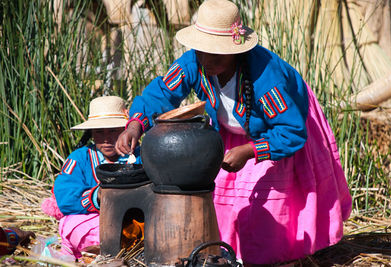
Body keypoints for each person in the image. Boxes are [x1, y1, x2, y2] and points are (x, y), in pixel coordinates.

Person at [115, 0, 352, 265]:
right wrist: (136, 123)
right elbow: (162, 92)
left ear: (236, 50)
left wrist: (251, 150)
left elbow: (290, 131)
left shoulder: (266, 79)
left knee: (266, 215)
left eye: (218, 53)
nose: (207, 59)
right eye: (203, 51)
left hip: (279, 129)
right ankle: (230, 255)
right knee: (223, 204)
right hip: (235, 129)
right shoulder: (194, 61)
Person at [42, 95, 142, 259]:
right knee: (71, 225)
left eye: (113, 130)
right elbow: (65, 198)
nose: (107, 139)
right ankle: (106, 249)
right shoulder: (79, 159)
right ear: (92, 133)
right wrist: (97, 196)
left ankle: (118, 248)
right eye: (99, 132)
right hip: (92, 223)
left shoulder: (140, 156)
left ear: (125, 131)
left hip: (131, 223)